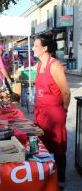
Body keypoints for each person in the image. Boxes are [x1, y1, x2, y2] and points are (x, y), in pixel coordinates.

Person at [33, 34, 70, 191]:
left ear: (45, 48)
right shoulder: (38, 65)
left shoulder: (54, 66)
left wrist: (64, 110)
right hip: (41, 112)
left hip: (54, 114)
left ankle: (60, 181)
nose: (33, 48)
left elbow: (66, 93)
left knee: (57, 147)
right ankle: (47, 178)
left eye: (36, 46)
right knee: (43, 146)